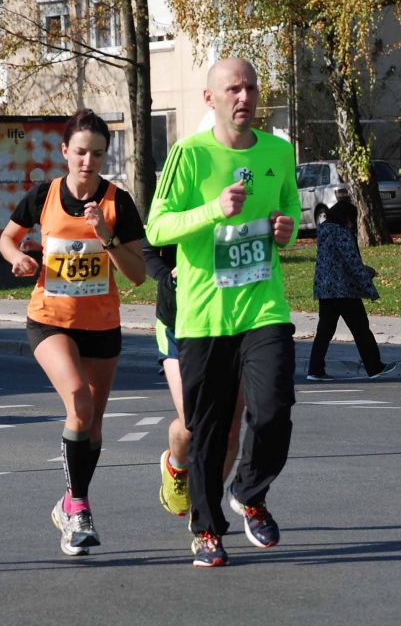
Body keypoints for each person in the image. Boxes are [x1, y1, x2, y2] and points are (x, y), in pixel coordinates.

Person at [145, 58, 299, 567]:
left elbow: (291, 214)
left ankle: (250, 491)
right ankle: (206, 529)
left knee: (274, 408)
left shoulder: (279, 151)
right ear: (210, 98)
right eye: (232, 88)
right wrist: (214, 211)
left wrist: (286, 230)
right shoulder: (189, 154)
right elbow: (158, 228)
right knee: (209, 430)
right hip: (205, 315)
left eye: (251, 87)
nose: (244, 97)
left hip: (263, 306)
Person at [0, 109, 146, 557]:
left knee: (92, 426)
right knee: (77, 400)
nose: (88, 161)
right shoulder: (44, 195)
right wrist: (16, 258)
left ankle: (68, 502)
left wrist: (107, 236)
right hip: (50, 319)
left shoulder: (119, 203)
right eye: (80, 152)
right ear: (65, 152)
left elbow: (138, 275)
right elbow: (6, 238)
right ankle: (80, 508)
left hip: (102, 325)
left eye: (97, 154)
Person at [142, 239, 244, 518]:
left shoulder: (249, 196)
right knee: (192, 420)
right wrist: (167, 276)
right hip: (179, 319)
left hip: (234, 317)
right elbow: (145, 248)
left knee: (230, 426)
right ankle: (176, 463)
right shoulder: (181, 195)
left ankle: (205, 505)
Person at [306, 200, 397, 381]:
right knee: (361, 329)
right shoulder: (342, 233)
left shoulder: (323, 231)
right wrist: (369, 284)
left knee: (324, 331)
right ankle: (374, 366)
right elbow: (352, 262)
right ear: (346, 217)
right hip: (344, 289)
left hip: (325, 289)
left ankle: (315, 369)